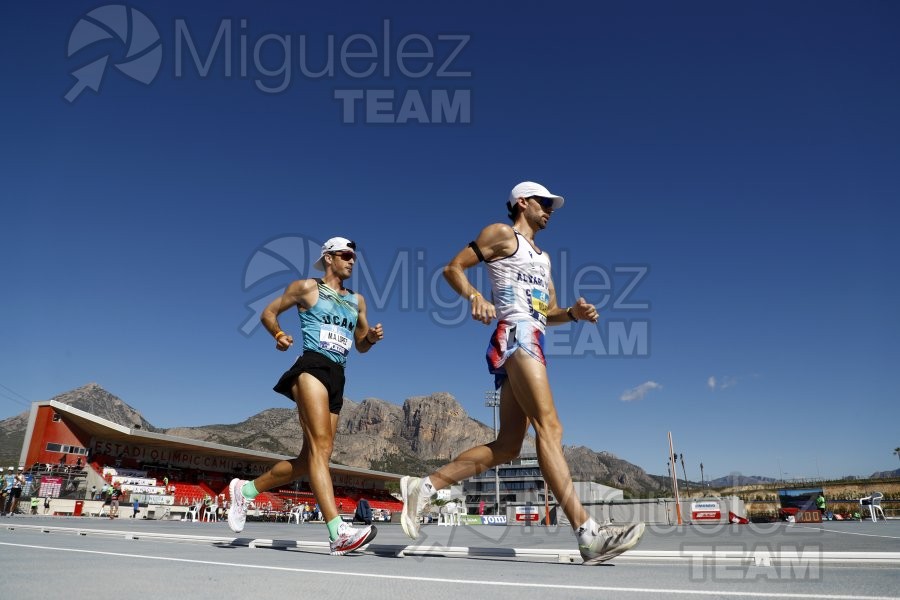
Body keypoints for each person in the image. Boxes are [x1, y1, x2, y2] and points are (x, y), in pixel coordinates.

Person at [399, 181, 646, 565]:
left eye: (553, 206)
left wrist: (575, 315)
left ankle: (425, 486)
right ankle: (588, 533)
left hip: (533, 335)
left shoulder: (544, 259)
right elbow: (453, 268)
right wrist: (475, 297)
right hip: (516, 335)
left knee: (509, 446)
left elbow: (549, 312)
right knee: (551, 428)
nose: (550, 210)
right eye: (544, 203)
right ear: (523, 203)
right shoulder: (502, 234)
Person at [227, 236, 383, 556]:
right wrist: (280, 333)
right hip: (311, 365)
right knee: (321, 447)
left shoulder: (358, 301)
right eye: (345, 255)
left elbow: (362, 344)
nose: (352, 260)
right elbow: (269, 313)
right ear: (329, 258)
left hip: (338, 374)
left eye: (354, 256)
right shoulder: (306, 288)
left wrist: (371, 339)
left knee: (311, 459)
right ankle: (337, 531)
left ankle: (246, 490)